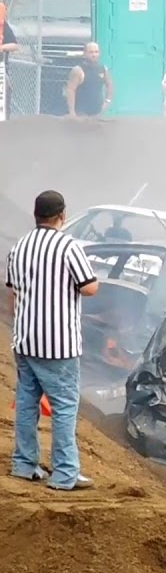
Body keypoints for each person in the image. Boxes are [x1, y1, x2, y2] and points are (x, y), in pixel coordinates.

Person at [6, 190, 99, 491]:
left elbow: (13, 294)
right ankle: (65, 473)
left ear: (36, 215)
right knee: (64, 407)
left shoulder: (19, 246)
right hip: (58, 345)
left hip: (25, 339)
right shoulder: (68, 246)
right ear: (62, 215)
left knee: (26, 402)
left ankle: (23, 464)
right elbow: (89, 287)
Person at [64, 42, 112, 117]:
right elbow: (70, 90)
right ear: (85, 53)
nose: (94, 55)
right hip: (81, 113)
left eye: (96, 52)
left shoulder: (103, 69)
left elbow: (110, 84)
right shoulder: (78, 70)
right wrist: (72, 111)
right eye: (91, 52)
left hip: (97, 112)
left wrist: (107, 101)